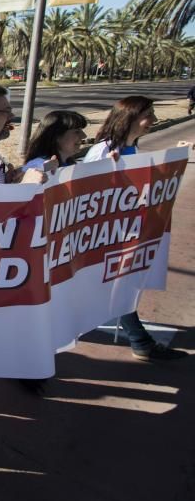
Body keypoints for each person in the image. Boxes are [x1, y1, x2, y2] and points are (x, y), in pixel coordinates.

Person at [82, 95, 189, 361]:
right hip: (104, 236)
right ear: (129, 118)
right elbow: (86, 196)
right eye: (148, 115)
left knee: (119, 286)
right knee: (118, 286)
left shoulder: (129, 148)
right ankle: (141, 342)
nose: (153, 120)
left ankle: (140, 341)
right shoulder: (103, 151)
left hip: (124, 231)